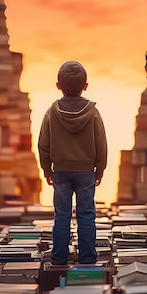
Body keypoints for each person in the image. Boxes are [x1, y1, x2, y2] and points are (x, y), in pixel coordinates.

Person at [38, 61, 108, 265]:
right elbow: (101, 143)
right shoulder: (93, 113)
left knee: (62, 215)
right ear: (85, 86)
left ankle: (59, 257)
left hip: (60, 171)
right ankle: (87, 257)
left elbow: (43, 143)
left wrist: (46, 169)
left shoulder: (51, 112)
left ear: (58, 86)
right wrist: (100, 169)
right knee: (86, 214)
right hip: (86, 171)